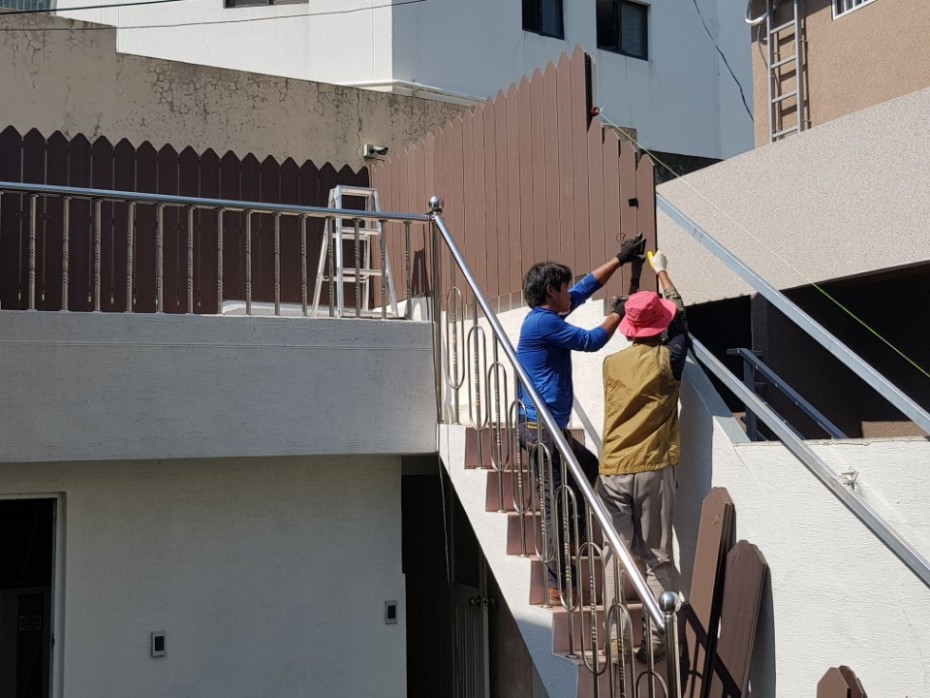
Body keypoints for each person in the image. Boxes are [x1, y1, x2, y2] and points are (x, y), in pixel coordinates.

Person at [517, 233, 646, 605]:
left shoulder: (545, 316)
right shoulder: (542, 324)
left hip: (547, 428)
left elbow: (586, 288)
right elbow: (591, 341)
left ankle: (571, 542)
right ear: (551, 291)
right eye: (564, 287)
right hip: (540, 431)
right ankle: (556, 581)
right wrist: (619, 311)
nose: (569, 292)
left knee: (588, 467)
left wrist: (620, 259)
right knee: (553, 502)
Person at [597, 249, 688, 662]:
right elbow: (681, 319)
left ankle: (616, 639)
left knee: (615, 556)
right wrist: (661, 271)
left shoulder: (611, 364)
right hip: (652, 467)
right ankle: (657, 637)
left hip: (613, 468)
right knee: (656, 557)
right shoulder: (670, 359)